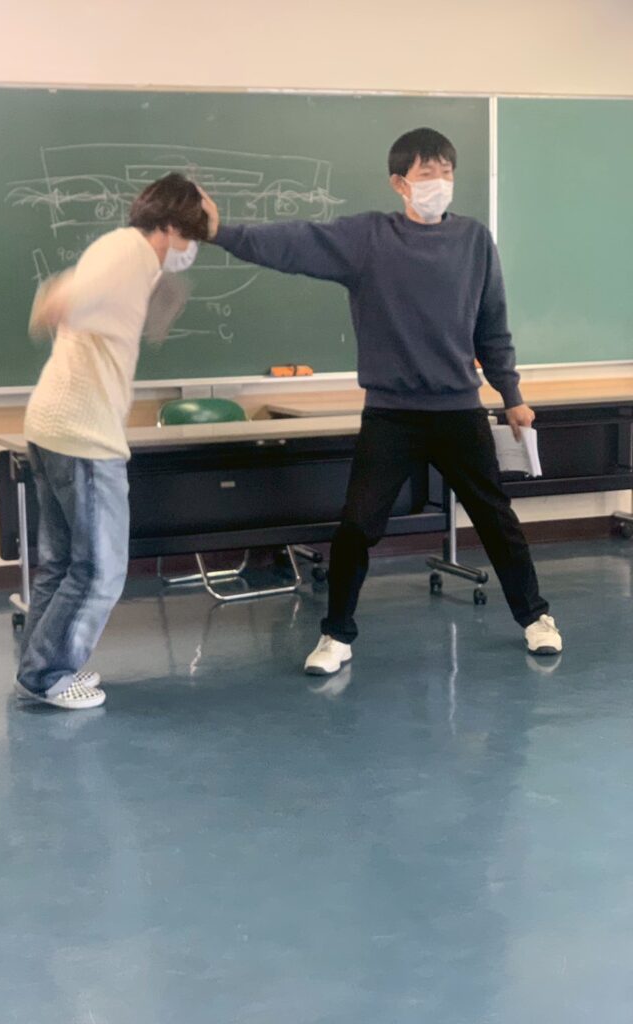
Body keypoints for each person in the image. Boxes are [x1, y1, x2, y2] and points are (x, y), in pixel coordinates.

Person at [200, 127, 563, 675]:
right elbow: (294, 244)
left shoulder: (474, 240)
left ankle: (535, 617)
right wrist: (221, 232)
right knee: (357, 525)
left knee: (495, 519)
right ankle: (335, 635)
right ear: (399, 183)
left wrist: (512, 395)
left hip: (458, 410)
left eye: (446, 172)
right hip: (392, 415)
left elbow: (492, 327)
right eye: (426, 173)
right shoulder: (368, 238)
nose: (439, 182)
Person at [15, 173, 209, 709]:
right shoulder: (129, 254)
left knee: (63, 566)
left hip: (54, 423)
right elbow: (61, 303)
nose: (192, 247)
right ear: (169, 227)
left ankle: (38, 667)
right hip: (83, 433)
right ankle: (50, 676)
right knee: (100, 570)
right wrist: (58, 301)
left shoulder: (122, 251)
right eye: (191, 234)